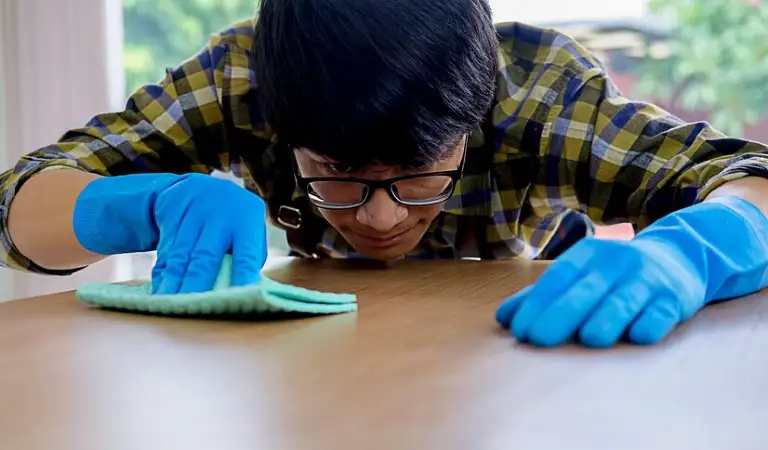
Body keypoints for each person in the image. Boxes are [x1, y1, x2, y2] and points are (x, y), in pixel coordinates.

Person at [3, 0, 768, 348]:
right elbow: (18, 201)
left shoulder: (540, 91)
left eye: (420, 174)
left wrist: (692, 252)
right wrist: (143, 204)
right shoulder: (244, 76)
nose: (379, 218)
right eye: (336, 174)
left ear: (476, 117)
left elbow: (748, 176)